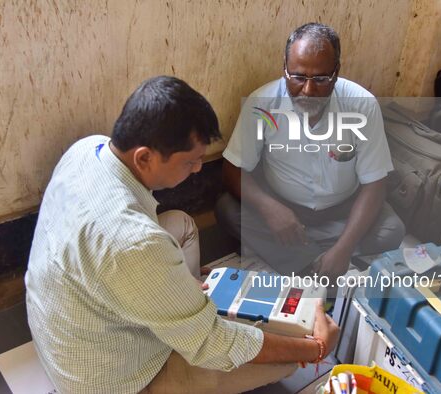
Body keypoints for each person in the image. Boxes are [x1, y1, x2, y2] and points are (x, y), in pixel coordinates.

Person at [25, 76, 340, 394]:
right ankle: (183, 312)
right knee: (284, 358)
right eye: (190, 161)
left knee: (181, 224)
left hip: (62, 334)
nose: (199, 169)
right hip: (108, 381)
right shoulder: (136, 244)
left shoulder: (86, 150)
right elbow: (213, 344)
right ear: (145, 157)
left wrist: (171, 284)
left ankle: (181, 300)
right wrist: (313, 348)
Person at [216, 23, 405, 280]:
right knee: (228, 210)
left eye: (320, 79)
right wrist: (270, 209)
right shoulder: (263, 104)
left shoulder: (362, 105)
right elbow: (232, 169)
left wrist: (344, 247)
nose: (308, 90)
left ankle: (313, 259)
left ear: (336, 72)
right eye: (298, 77)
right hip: (286, 210)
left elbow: (375, 184)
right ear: (284, 68)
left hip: (342, 210)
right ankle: (321, 263)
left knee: (392, 229)